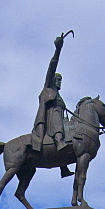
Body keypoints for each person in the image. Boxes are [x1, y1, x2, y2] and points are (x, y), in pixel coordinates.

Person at [32, 34, 73, 178]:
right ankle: (59, 141)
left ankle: (64, 166)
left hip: (61, 115)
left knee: (70, 130)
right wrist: (58, 50)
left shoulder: (58, 94)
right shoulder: (48, 87)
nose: (59, 82)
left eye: (60, 80)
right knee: (59, 125)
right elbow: (52, 66)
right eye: (57, 79)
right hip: (51, 118)